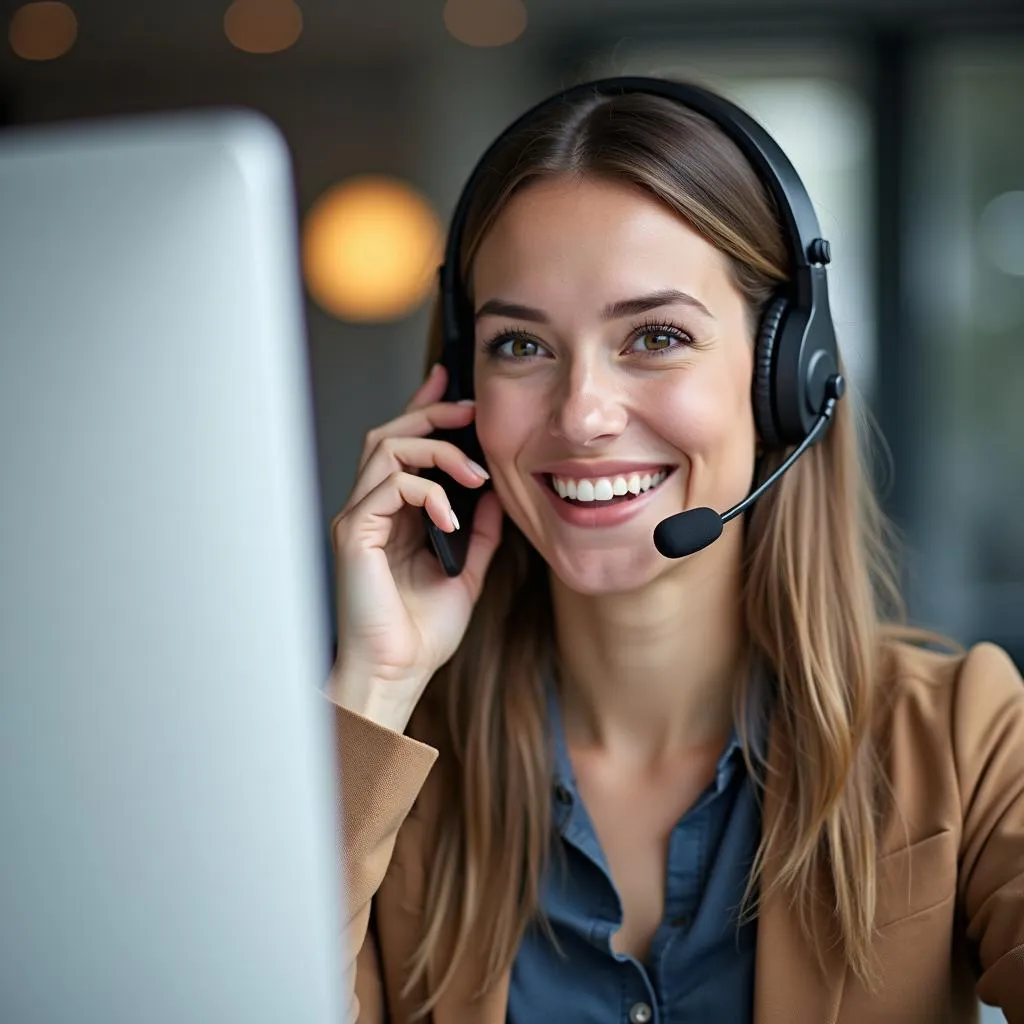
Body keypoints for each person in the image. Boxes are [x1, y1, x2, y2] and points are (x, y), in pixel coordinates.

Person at [325, 77, 1024, 1023]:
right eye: (521, 348)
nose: (581, 415)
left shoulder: (969, 740)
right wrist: (372, 687)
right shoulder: (388, 783)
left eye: (655, 336)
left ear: (785, 377)